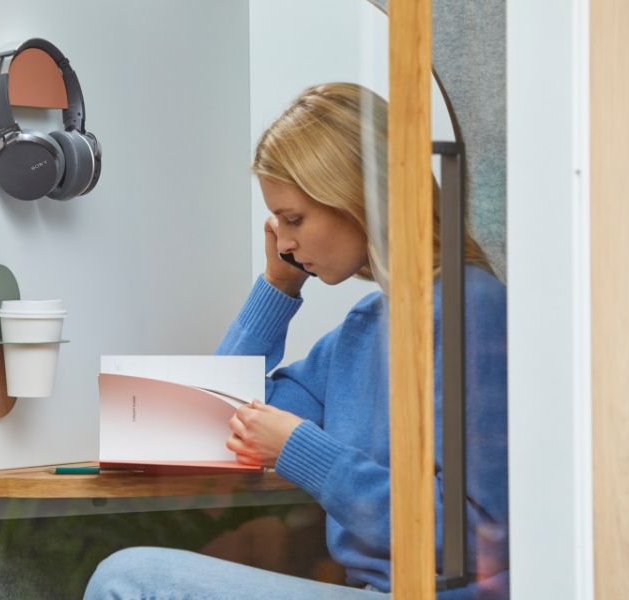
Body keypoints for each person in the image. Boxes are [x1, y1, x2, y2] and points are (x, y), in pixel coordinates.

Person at [84, 83, 508, 599]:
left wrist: (301, 450)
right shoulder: (364, 328)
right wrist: (277, 285)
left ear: (358, 199)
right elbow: (214, 417)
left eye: (294, 219)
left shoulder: (471, 307)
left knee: (131, 581)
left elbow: (475, 539)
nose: (283, 242)